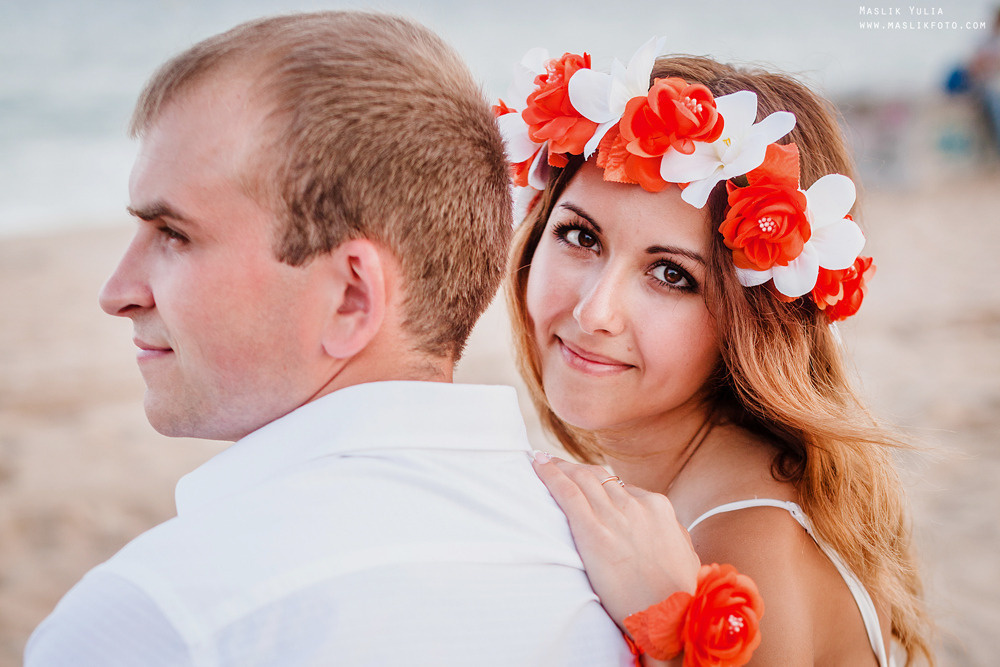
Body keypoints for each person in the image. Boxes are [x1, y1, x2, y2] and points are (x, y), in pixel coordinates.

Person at [24, 12, 635, 666]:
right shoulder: (621, 581)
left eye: (174, 234)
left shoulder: (158, 617)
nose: (118, 291)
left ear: (351, 296)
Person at [497, 40, 934, 665]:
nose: (595, 312)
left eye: (672, 275)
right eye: (580, 236)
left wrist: (673, 622)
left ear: (751, 323)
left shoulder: (739, 548)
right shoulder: (726, 487)